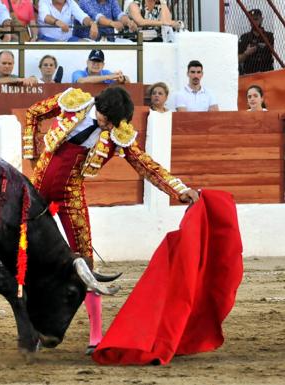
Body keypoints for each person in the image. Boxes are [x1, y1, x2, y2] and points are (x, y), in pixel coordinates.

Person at [23, 86, 199, 355]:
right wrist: (32, 154)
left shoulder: (118, 133)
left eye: (114, 123)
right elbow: (33, 113)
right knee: (23, 255)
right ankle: (30, 328)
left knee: (86, 264)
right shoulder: (73, 103)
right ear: (100, 108)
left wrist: (179, 189)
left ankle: (95, 336)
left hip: (70, 193)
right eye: (107, 120)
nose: (108, 127)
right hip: (36, 191)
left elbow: (145, 164)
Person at [238, 9, 274, 75]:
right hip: (250, 76)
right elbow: (237, 59)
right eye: (251, 20)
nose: (253, 22)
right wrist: (246, 53)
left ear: (261, 19)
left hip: (268, 75)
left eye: (256, 19)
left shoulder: (270, 36)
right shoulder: (244, 37)